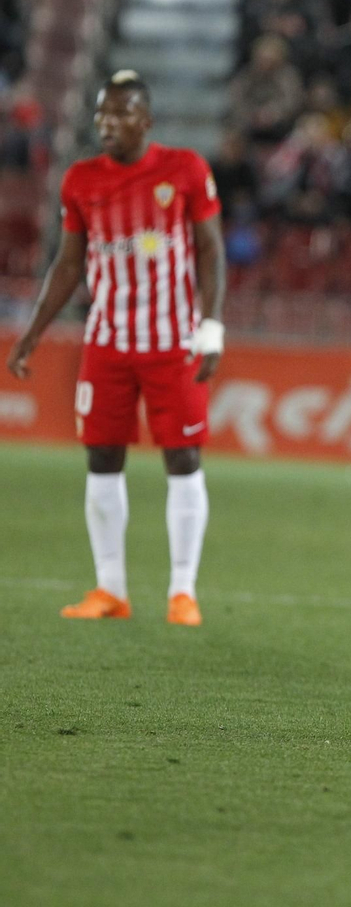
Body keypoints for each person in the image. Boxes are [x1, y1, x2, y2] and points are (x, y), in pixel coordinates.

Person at [6, 71, 226, 626]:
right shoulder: (80, 179)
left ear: (146, 120)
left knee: (184, 458)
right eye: (102, 114)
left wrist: (212, 327)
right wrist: (33, 333)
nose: (108, 124)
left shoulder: (185, 171)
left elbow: (210, 250)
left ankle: (183, 590)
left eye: (121, 114)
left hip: (172, 341)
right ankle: (111, 589)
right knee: (102, 459)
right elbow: (70, 263)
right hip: (106, 343)